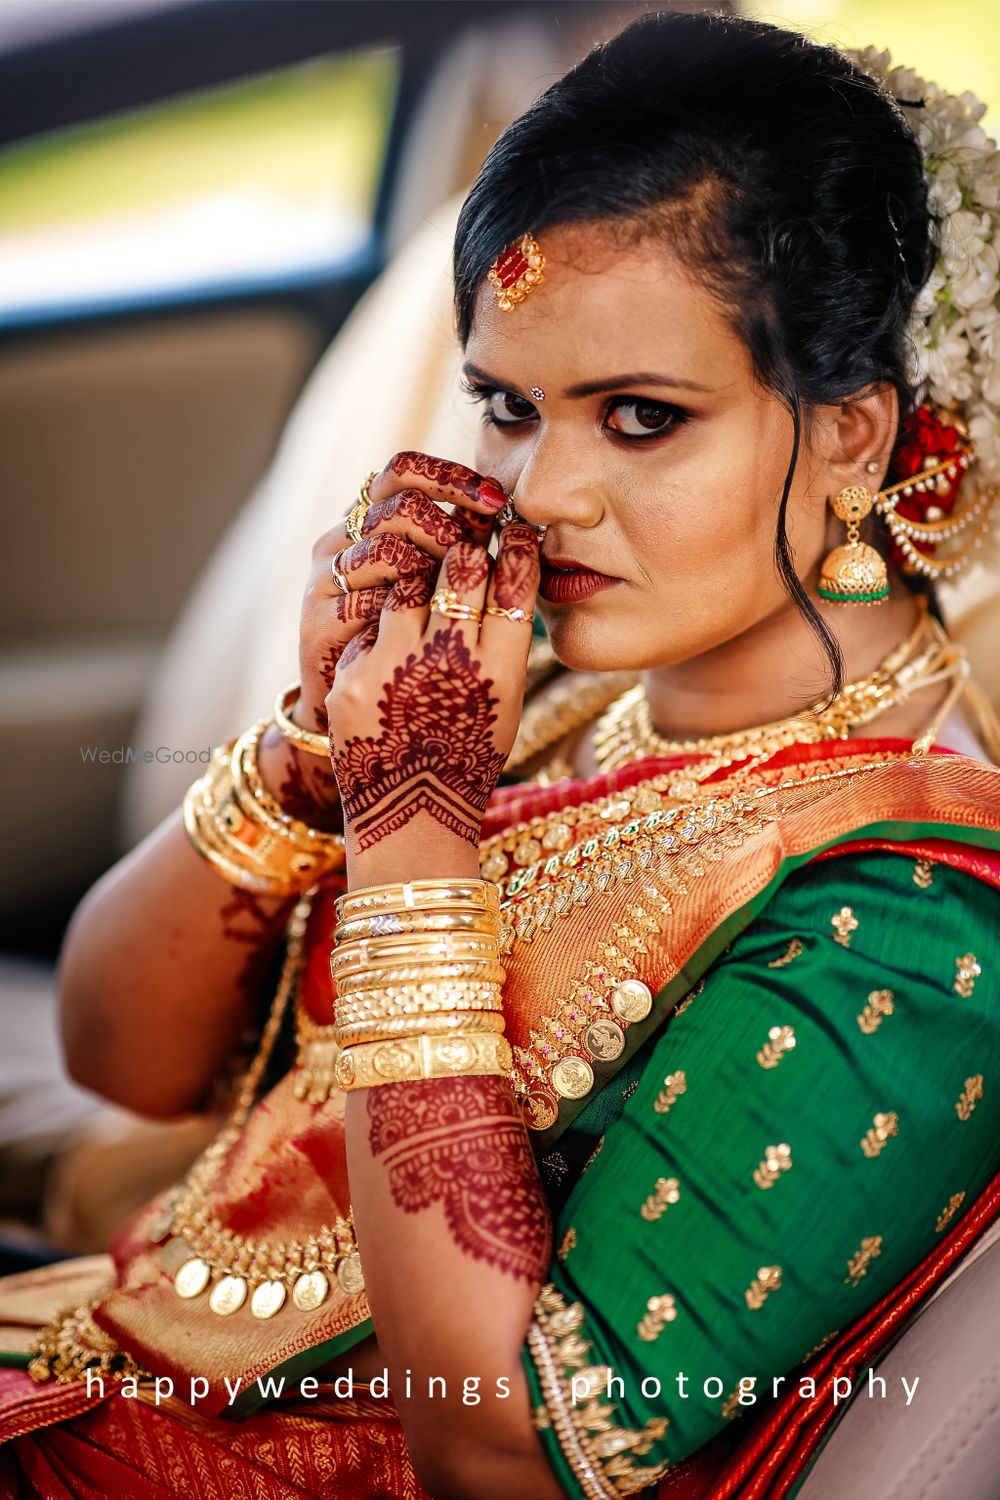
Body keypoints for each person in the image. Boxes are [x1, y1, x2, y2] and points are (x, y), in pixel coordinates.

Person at [3, 12, 1000, 1498]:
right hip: (95, 1363)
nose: (539, 494)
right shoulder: (544, 700)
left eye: (643, 419)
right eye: (509, 408)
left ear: (854, 434)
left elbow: (507, 1452)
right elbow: (123, 1062)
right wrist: (309, 744)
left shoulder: (918, 917)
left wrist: (414, 831)